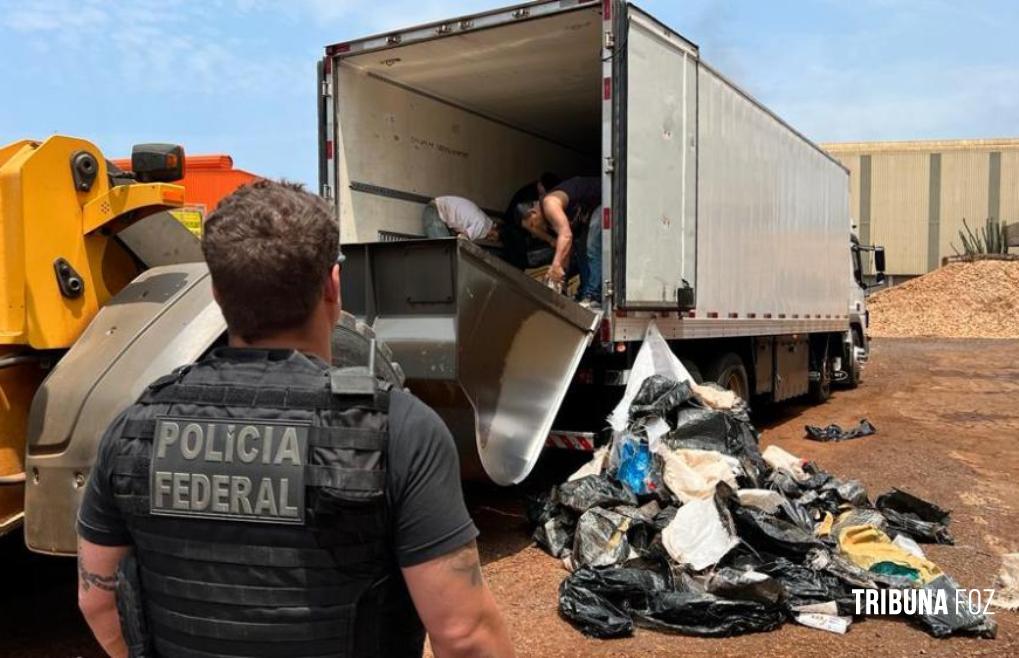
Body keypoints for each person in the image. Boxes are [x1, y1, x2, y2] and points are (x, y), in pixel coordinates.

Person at [76, 180, 515, 658]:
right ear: (332, 286)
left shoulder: (133, 428)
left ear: (219, 296)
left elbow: (99, 601)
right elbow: (465, 637)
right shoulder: (399, 430)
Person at [516, 176, 602, 307]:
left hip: (605, 196)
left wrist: (556, 265)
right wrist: (562, 280)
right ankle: (585, 293)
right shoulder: (547, 218)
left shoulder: (549, 204)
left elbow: (566, 235)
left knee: (592, 246)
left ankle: (594, 295)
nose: (535, 231)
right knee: (581, 250)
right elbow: (566, 248)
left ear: (533, 212)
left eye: (533, 224)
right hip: (590, 210)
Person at [422, 195, 499, 241]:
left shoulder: (483, 220)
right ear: (495, 232)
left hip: (436, 210)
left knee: (446, 248)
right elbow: (462, 239)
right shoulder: (482, 225)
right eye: (494, 238)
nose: (490, 239)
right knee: (444, 248)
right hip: (435, 212)